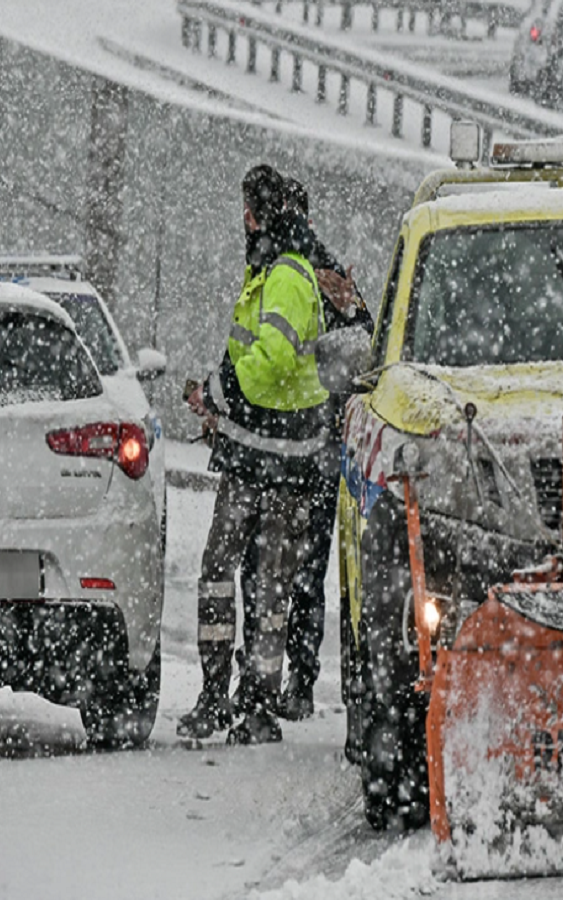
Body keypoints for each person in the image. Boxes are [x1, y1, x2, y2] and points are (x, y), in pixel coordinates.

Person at [177, 164, 329, 745]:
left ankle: (255, 707)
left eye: (247, 210)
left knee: (267, 588)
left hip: (280, 466)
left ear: (260, 216)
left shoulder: (288, 276)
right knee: (228, 577)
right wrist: (218, 407)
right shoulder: (267, 274)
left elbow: (269, 363)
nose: (242, 221)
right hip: (250, 459)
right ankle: (222, 696)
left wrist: (217, 393)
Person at [236, 178, 374, 721]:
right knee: (294, 570)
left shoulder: (305, 269)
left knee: (289, 570)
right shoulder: (284, 265)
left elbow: (361, 343)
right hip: (303, 442)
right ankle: (285, 680)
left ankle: (287, 679)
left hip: (310, 443)